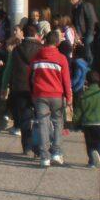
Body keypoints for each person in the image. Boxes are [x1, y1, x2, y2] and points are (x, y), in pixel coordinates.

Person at [30, 30, 73, 167]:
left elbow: (29, 77)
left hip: (40, 94)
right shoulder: (61, 59)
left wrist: (32, 92)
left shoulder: (36, 57)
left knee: (43, 123)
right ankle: (56, 153)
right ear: (58, 43)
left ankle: (44, 157)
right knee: (58, 123)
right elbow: (66, 81)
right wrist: (69, 97)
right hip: (57, 95)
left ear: (45, 41)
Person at [1, 24, 43, 151]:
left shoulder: (16, 50)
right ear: (36, 34)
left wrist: (4, 86)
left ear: (23, 34)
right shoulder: (41, 49)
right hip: (38, 88)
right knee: (40, 117)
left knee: (25, 118)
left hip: (19, 87)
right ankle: (39, 145)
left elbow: (8, 70)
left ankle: (27, 146)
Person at [74, 71, 100, 168]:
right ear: (98, 80)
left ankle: (91, 161)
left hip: (86, 123)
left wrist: (75, 124)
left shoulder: (83, 95)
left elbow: (78, 113)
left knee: (89, 142)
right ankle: (98, 151)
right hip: (99, 122)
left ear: (86, 81)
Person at [68, 0, 98, 65]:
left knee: (89, 54)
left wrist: (90, 33)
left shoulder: (86, 5)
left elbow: (91, 20)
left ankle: (89, 71)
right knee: (83, 54)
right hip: (80, 36)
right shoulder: (75, 8)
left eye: (70, 0)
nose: (70, 3)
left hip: (87, 34)